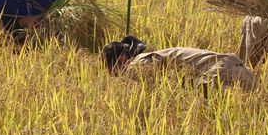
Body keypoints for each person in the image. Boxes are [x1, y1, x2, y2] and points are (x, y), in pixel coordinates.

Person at [102, 36, 258, 92]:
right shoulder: (152, 58)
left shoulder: (137, 65)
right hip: (242, 72)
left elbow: (157, 96)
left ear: (121, 60)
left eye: (110, 70)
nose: (112, 76)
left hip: (222, 77)